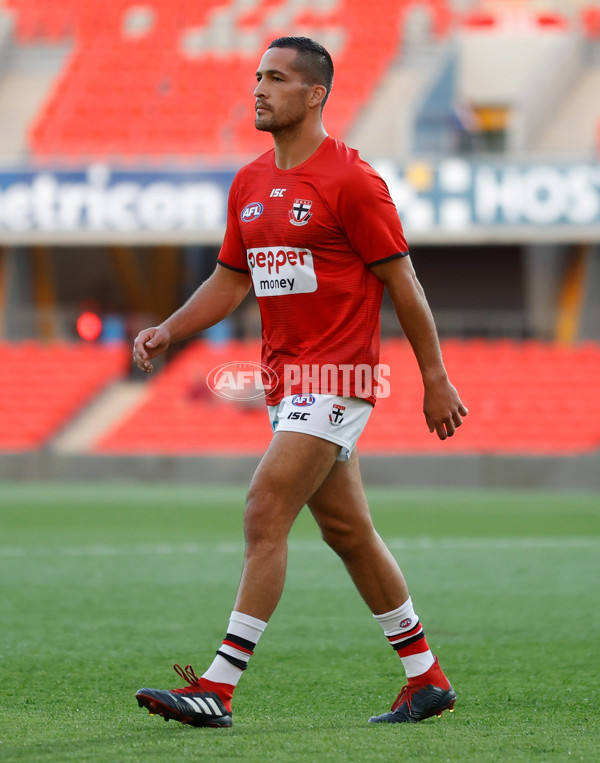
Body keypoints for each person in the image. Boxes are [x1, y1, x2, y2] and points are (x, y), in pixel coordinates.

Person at [133, 36, 467, 728]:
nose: (259, 88)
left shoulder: (351, 180)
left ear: (314, 94)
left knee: (264, 508)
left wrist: (434, 377)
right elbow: (231, 282)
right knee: (349, 533)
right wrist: (170, 328)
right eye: (257, 76)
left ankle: (218, 686)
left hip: (337, 377)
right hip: (287, 384)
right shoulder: (250, 183)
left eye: (277, 78)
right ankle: (424, 677)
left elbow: (402, 279)